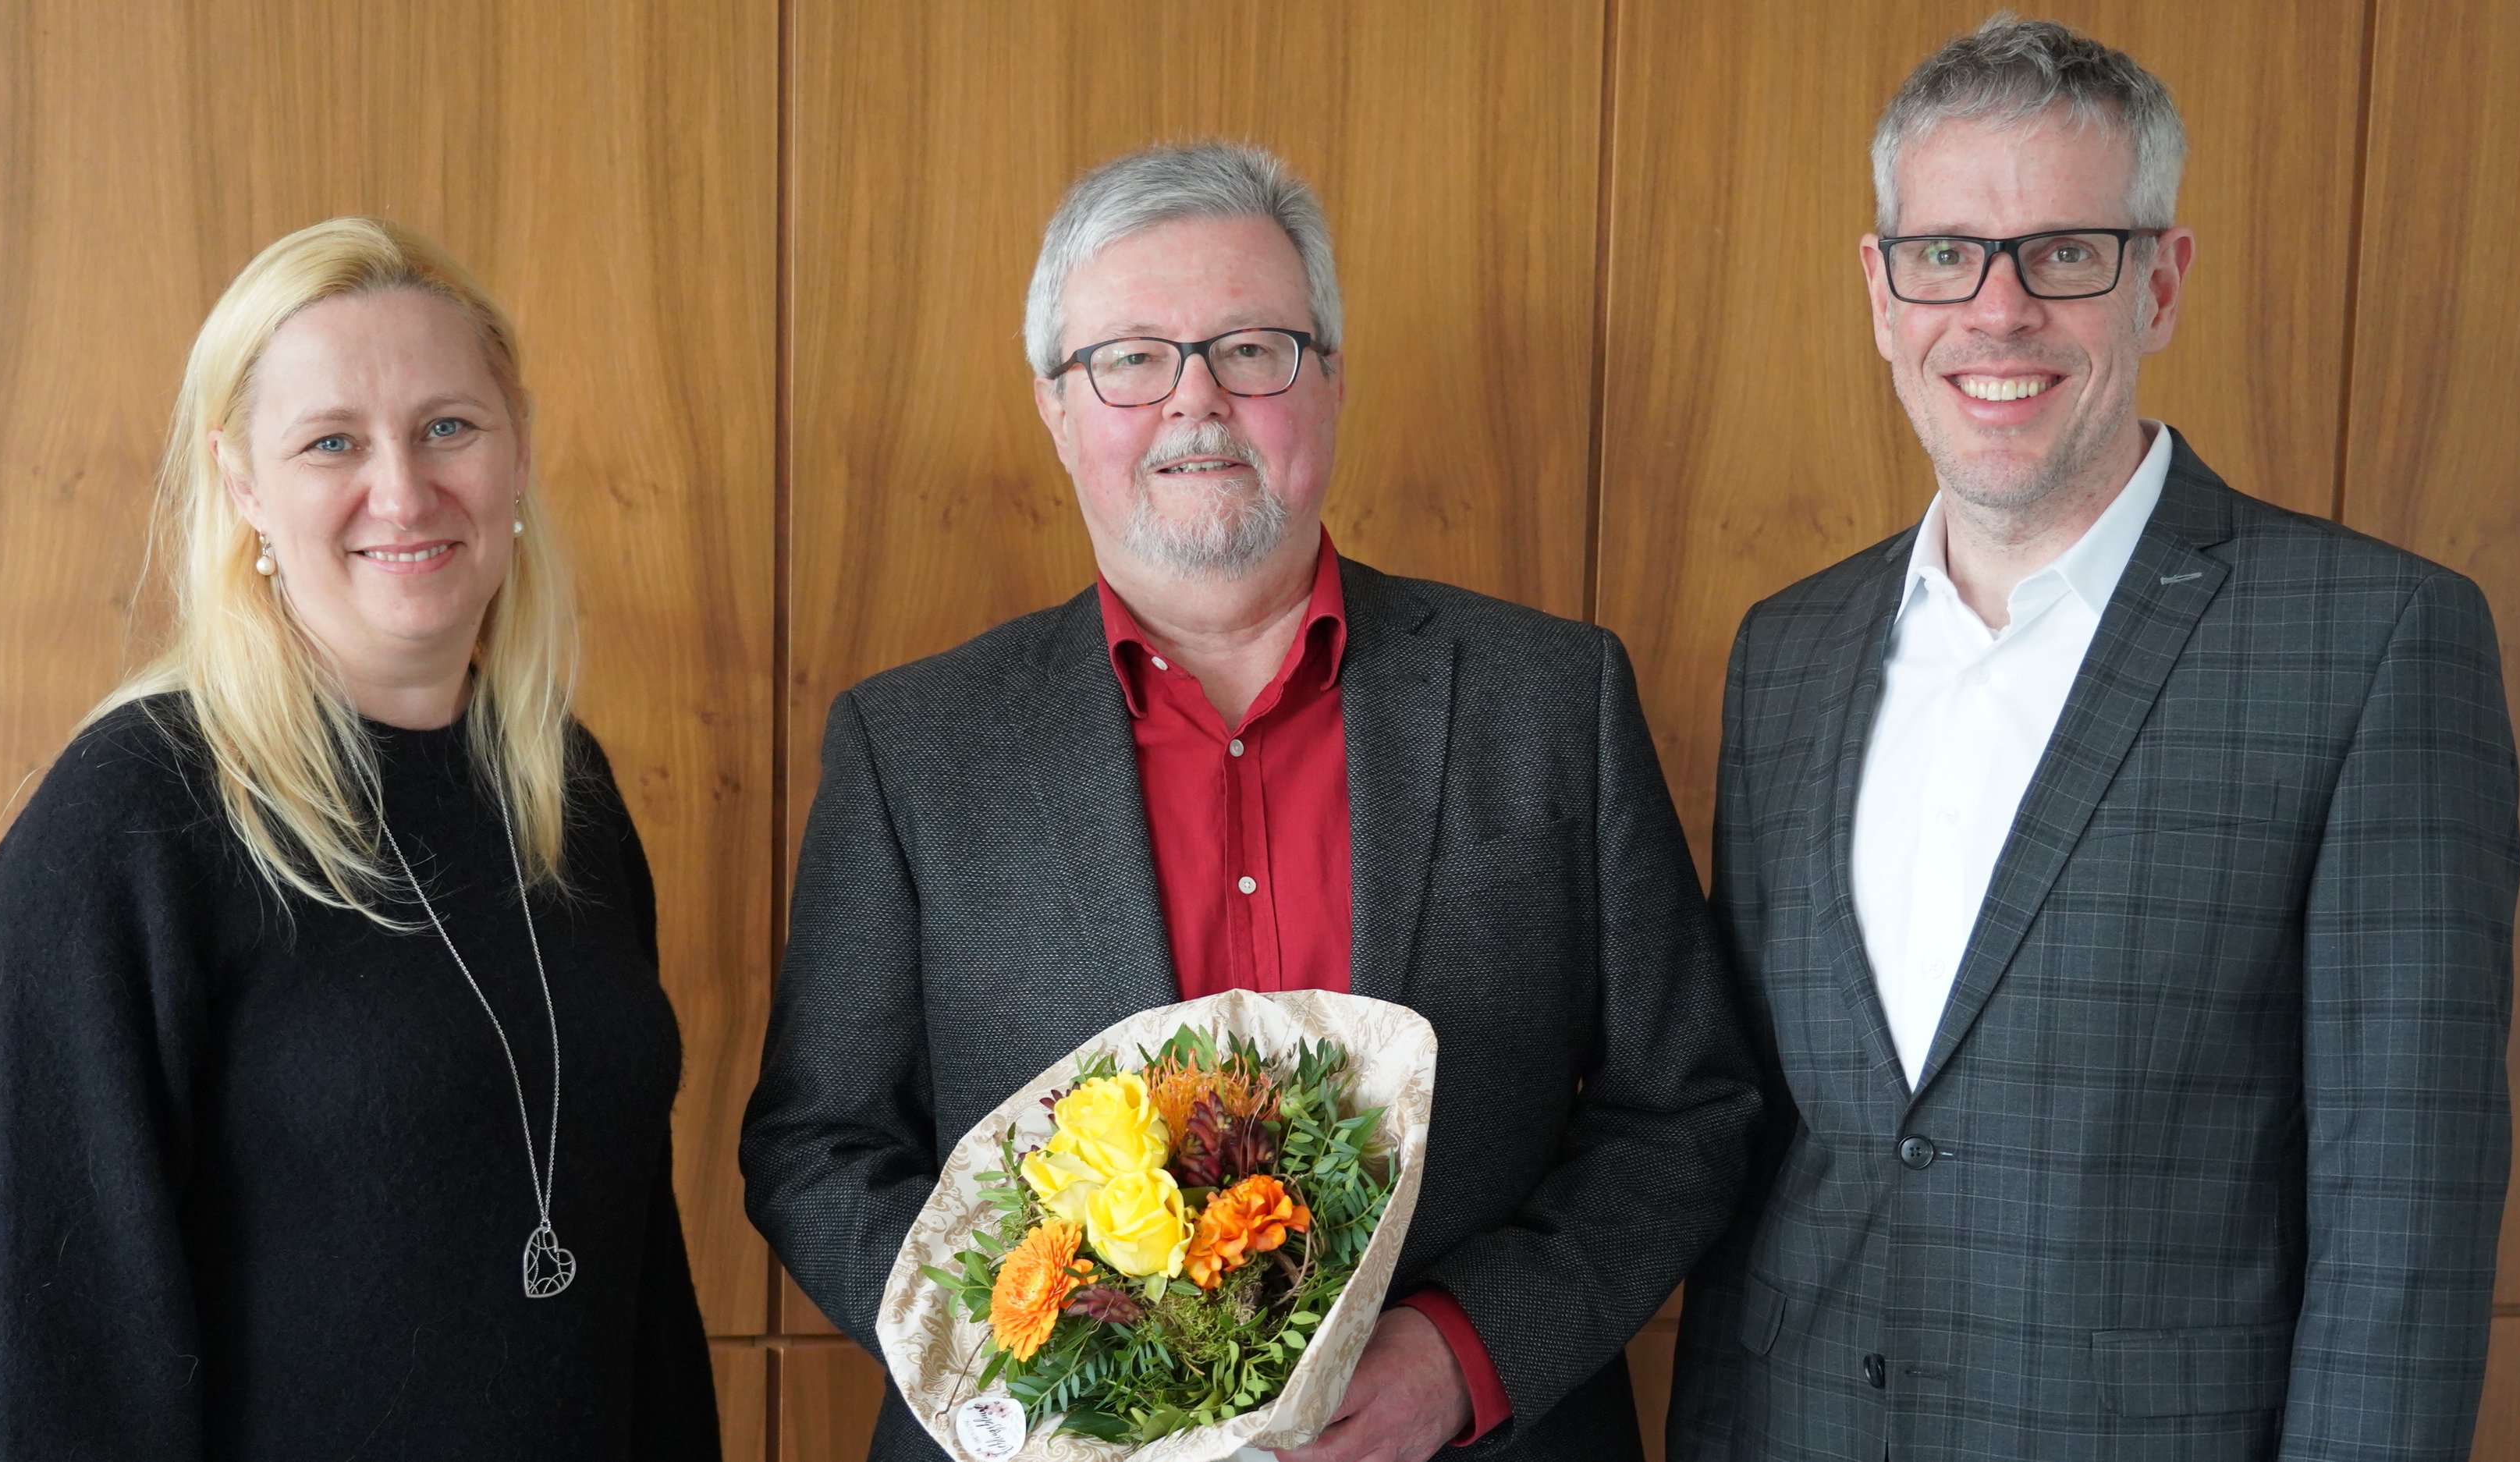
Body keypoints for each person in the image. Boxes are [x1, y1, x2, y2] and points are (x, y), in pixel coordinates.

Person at [740, 141, 1759, 1462]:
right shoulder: (915, 747)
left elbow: (1684, 1106)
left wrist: (1465, 1355)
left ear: (1329, 379)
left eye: (1251, 349)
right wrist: (1050, 1393)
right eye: (1132, 358)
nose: (1196, 400)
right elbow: (817, 1147)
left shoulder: (1554, 698)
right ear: (1057, 406)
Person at [1668, 20, 2518, 1462]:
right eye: (1946, 254)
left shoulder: (2373, 640)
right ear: (1881, 292)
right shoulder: (1788, 652)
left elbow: (2405, 1220)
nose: (1997, 312)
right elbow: (1760, 1147)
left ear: (2160, 283)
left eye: (2066, 254)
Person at [0, 218, 721, 1460]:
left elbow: (639, 1291)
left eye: (448, 426)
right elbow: (55, 1367)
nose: (403, 491)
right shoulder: (128, 825)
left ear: (517, 446)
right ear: (243, 482)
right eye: (331, 442)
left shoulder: (559, 785)